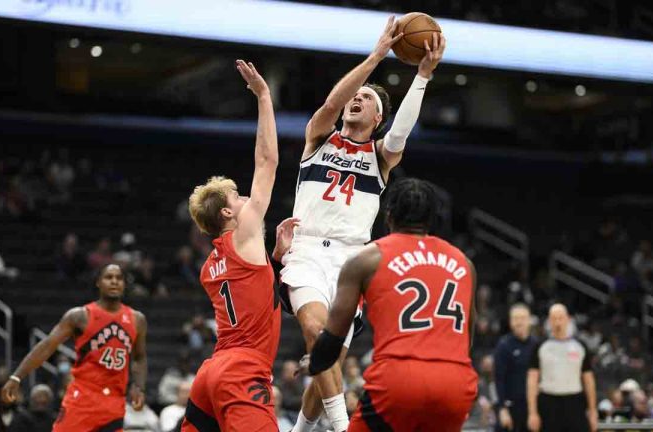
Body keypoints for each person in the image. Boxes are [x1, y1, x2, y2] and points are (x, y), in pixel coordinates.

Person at [279, 16, 446, 432]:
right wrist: (376, 56)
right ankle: (343, 428)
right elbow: (332, 104)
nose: (358, 98)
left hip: (354, 260)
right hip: (307, 251)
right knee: (317, 333)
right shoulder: (319, 137)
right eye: (357, 94)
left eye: (367, 98)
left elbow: (402, 130)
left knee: (328, 358)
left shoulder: (381, 156)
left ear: (377, 118)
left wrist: (422, 76)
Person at [300, 178, 477, 432]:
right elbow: (466, 340)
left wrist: (315, 363)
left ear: (389, 215)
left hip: (399, 381)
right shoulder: (464, 263)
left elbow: (332, 337)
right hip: (456, 384)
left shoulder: (367, 258)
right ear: (432, 219)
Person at [180, 59, 281, 431]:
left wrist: (276, 257)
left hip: (210, 374)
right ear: (226, 212)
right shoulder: (245, 233)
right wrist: (264, 96)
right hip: (243, 369)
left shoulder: (211, 266)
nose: (245, 201)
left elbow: (252, 290)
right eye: (238, 197)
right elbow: (267, 161)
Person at [1, 263, 148, 432]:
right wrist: (17, 376)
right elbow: (47, 346)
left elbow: (139, 357)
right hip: (82, 399)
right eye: (109, 277)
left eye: (119, 278)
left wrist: (139, 386)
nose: (114, 281)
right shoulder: (80, 316)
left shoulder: (137, 320)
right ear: (98, 282)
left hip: (113, 403)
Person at [527, 304, 597, 432]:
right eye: (554, 318)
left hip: (575, 402)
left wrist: (593, 411)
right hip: (548, 402)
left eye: (561, 318)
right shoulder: (540, 346)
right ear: (549, 321)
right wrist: (532, 412)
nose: (557, 322)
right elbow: (532, 380)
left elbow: (589, 380)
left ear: (568, 319)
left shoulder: (580, 346)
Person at [493, 303, 538, 432]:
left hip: (532, 408)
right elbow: (498, 379)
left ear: (529, 320)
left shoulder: (537, 345)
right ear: (510, 321)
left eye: (523, 318)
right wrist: (502, 408)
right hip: (511, 407)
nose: (519, 322)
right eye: (515, 318)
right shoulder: (503, 345)